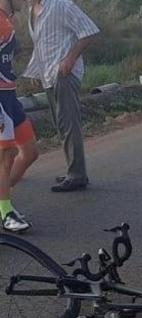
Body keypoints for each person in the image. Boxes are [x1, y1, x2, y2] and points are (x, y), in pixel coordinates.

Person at [24, 0, 98, 192]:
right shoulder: (32, 10)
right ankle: (73, 171)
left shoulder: (61, 5)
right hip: (48, 74)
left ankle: (77, 176)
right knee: (61, 123)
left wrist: (70, 59)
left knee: (68, 122)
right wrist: (35, 71)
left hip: (64, 73)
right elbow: (42, 44)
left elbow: (88, 31)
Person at [0, 0, 39, 232]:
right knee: (5, 155)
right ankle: (6, 211)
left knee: (30, 151)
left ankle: (3, 198)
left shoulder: (7, 19)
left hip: (10, 95)